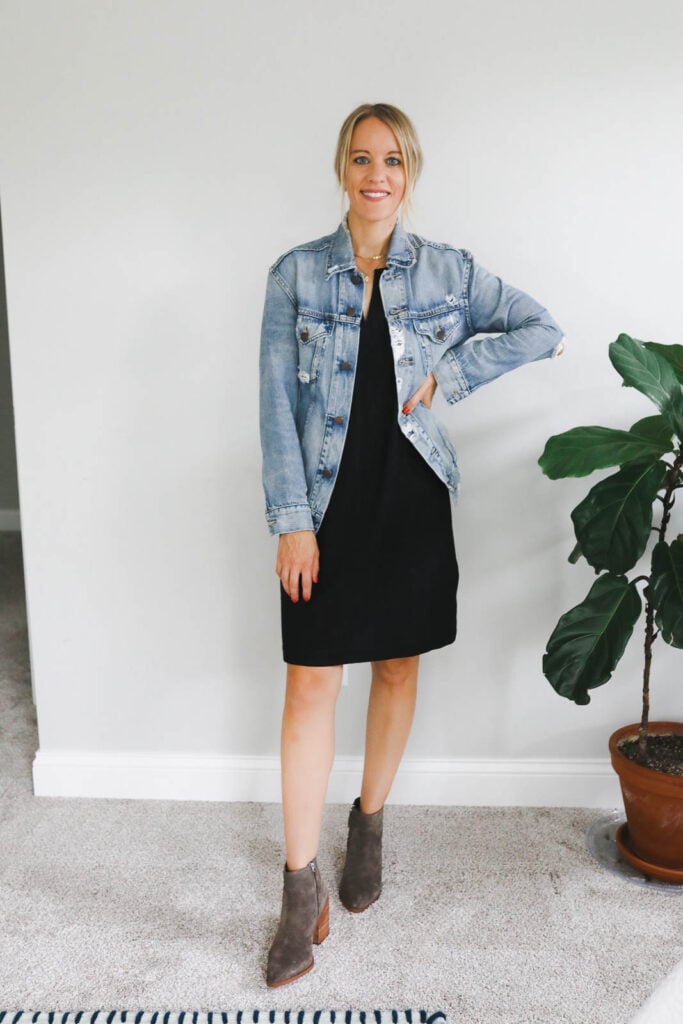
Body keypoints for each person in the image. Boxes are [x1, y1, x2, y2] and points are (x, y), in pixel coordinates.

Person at [258, 102, 565, 987]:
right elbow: (275, 405)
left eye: (392, 159)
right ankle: (295, 888)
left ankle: (369, 823)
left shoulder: (448, 272)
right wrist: (289, 521)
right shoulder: (293, 277)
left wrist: (452, 373)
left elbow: (542, 327)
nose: (375, 173)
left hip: (412, 497)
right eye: (360, 158)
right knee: (311, 681)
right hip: (322, 503)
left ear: (411, 173)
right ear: (341, 171)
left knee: (396, 667)